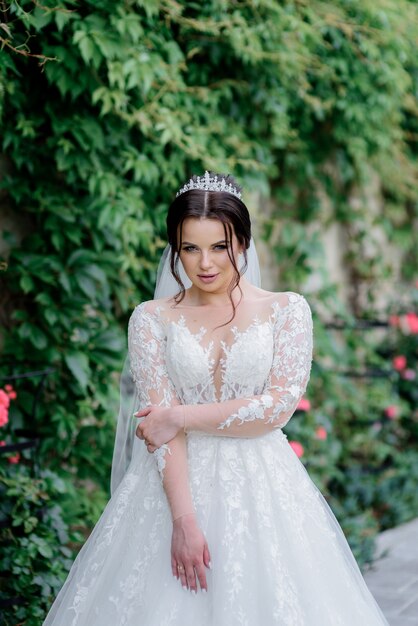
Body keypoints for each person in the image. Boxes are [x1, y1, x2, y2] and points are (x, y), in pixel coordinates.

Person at [43, 172, 389, 625]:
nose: (205, 263)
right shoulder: (150, 319)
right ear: (175, 249)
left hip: (264, 486)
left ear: (243, 242)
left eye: (219, 246)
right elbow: (162, 428)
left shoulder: (287, 310)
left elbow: (277, 407)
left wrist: (179, 415)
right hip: (171, 490)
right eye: (190, 248)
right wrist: (184, 521)